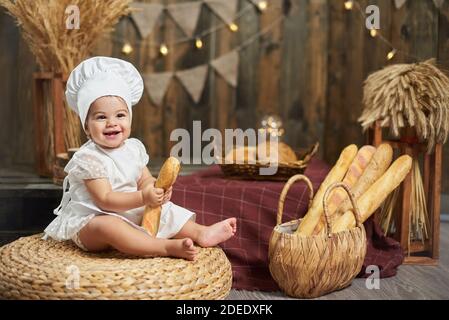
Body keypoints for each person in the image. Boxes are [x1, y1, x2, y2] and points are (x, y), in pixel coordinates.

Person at [43, 56, 236, 260]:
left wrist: (154, 189)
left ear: (130, 119)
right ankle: (164, 247)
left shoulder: (133, 149)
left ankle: (200, 232)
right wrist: (143, 197)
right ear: (87, 127)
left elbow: (144, 179)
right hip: (94, 220)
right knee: (109, 226)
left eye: (120, 115)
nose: (111, 123)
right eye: (101, 117)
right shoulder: (89, 158)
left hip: (130, 210)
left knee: (165, 209)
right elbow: (105, 200)